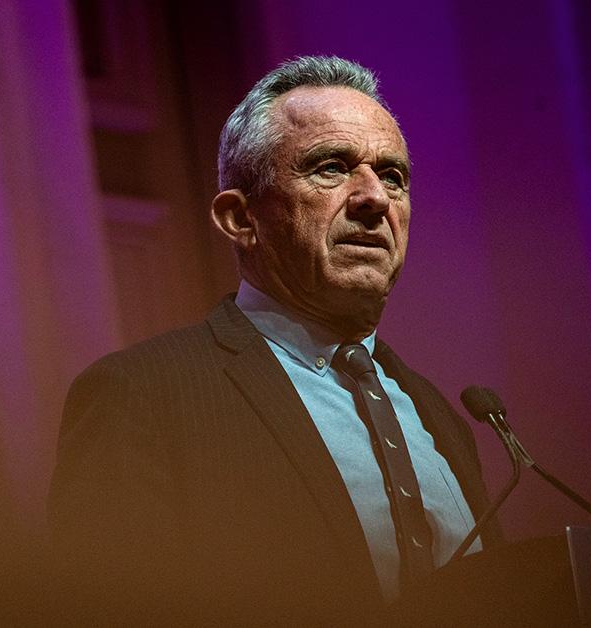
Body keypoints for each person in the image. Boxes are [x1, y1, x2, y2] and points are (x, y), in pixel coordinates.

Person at [47, 56, 502, 622]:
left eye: (393, 177)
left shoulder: (444, 419)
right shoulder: (143, 394)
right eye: (331, 168)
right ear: (241, 219)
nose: (375, 199)